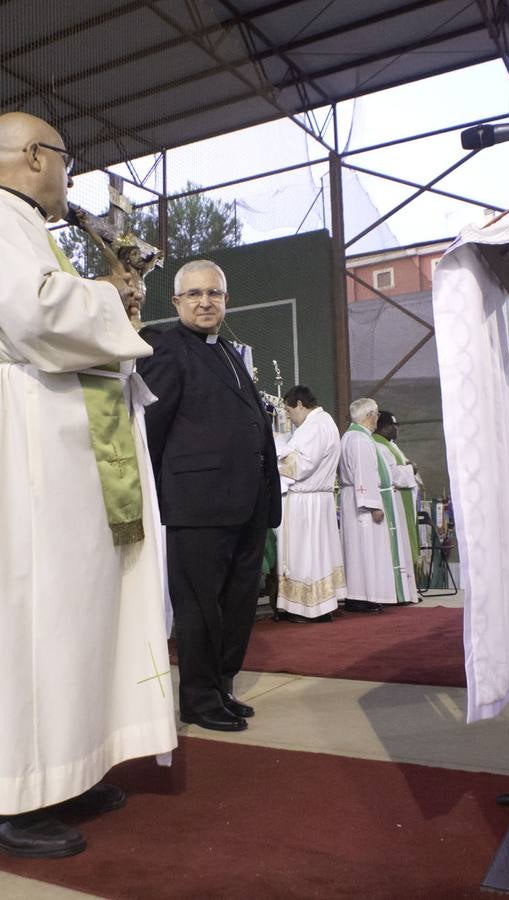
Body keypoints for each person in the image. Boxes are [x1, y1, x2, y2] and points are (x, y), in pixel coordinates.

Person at [0, 111, 176, 859]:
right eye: (64, 160)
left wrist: (107, 302)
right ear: (34, 155)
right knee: (24, 609)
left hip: (64, 430)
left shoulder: (25, 225)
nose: (69, 175)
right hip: (27, 426)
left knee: (73, 610)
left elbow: (55, 312)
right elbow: (37, 314)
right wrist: (106, 294)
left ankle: (62, 769)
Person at [138, 259, 281, 733]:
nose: (205, 302)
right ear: (176, 302)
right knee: (199, 606)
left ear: (226, 300)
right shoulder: (165, 346)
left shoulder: (228, 353)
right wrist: (159, 495)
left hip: (246, 502)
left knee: (238, 603)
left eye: (214, 294)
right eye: (194, 294)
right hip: (197, 503)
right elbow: (151, 428)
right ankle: (197, 699)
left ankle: (221, 685)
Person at [337, 398, 418, 612]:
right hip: (362, 504)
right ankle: (361, 597)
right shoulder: (360, 440)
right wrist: (373, 505)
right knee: (365, 550)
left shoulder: (354, 436)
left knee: (360, 550)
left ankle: (362, 595)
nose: (377, 420)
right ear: (369, 415)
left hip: (354, 499)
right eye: (375, 414)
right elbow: (364, 474)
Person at [274, 385, 345, 622]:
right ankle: (320, 606)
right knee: (318, 553)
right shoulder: (326, 422)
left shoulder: (314, 426)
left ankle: (308, 608)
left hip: (306, 501)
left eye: (289, 410)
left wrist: (276, 459)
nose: (289, 417)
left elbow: (301, 464)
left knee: (304, 554)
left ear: (300, 405)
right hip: (318, 498)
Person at [374, 410, 422, 586]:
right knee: (400, 543)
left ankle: (409, 586)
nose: (396, 429)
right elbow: (392, 474)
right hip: (395, 502)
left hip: (403, 500)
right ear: (385, 427)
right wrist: (412, 469)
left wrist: (409, 467)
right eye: (394, 425)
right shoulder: (379, 446)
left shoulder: (389, 445)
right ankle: (401, 587)